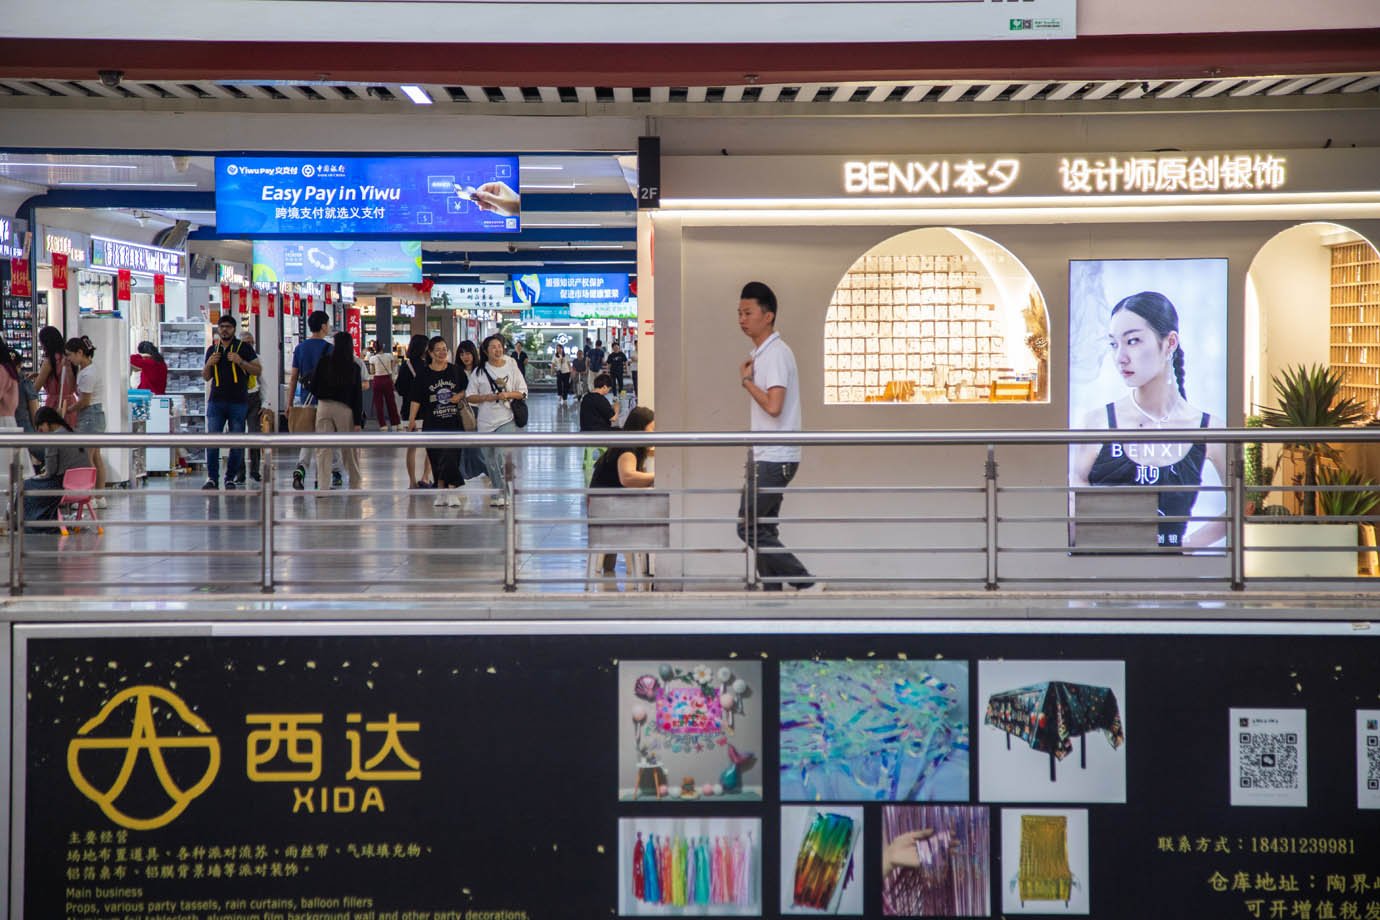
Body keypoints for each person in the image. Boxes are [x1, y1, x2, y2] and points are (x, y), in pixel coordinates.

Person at [1071, 290, 1228, 549]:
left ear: (1170, 343)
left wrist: (1186, 546)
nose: (1120, 357)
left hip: (1171, 576)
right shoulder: (1097, 421)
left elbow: (1244, 502)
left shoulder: (1211, 428)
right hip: (1101, 568)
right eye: (1114, 344)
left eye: (1132, 341)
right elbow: (1074, 499)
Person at [737, 281, 817, 591]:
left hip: (773, 456)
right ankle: (771, 595)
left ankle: (806, 583)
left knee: (749, 527)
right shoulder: (764, 353)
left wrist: (746, 382)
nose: (742, 319)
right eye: (739, 313)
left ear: (767, 316)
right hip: (768, 454)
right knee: (763, 528)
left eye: (748, 313)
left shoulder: (776, 355)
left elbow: (774, 405)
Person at [589, 406, 656, 577]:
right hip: (608, 507)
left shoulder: (625, 443)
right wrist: (655, 477)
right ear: (641, 429)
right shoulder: (628, 450)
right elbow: (627, 478)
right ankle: (640, 567)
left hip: (600, 504)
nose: (654, 434)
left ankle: (608, 564)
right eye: (652, 429)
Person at [466, 333, 527, 509]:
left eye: (499, 346)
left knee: (501, 456)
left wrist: (506, 394)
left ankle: (505, 492)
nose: (497, 349)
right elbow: (470, 396)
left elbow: (523, 392)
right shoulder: (479, 371)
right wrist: (488, 397)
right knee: (489, 459)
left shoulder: (511, 366)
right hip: (485, 422)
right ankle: (498, 490)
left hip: (506, 418)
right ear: (486, 351)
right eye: (493, 347)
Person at [200, 315, 260, 491]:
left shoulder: (244, 349)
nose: (224, 329)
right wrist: (209, 364)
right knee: (212, 441)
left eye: (228, 327)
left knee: (237, 442)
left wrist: (240, 361)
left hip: (238, 402)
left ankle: (230, 478)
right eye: (221, 326)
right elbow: (206, 377)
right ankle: (212, 478)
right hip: (216, 402)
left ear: (234, 329)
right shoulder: (212, 350)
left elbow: (258, 370)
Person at [407, 336, 468, 507]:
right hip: (432, 422)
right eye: (438, 350)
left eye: (444, 349)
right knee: (436, 458)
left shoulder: (455, 371)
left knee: (450, 457)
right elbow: (416, 399)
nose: (442, 353)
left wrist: (460, 396)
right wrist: (412, 420)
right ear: (430, 353)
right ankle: (441, 491)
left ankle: (451, 489)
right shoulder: (424, 374)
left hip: (453, 421)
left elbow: (467, 389)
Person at [286, 311, 339, 491]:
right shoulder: (330, 349)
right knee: (324, 442)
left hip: (306, 400)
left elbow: (293, 377)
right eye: (328, 323)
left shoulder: (300, 348)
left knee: (308, 438)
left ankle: (301, 469)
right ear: (323, 326)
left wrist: (289, 403)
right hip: (326, 402)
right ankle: (321, 477)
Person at [309, 331, 364, 489]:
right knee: (349, 450)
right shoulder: (354, 366)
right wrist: (357, 421)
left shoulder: (324, 362)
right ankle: (355, 484)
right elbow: (357, 396)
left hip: (323, 406)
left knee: (323, 449)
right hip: (344, 409)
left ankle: (323, 488)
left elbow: (313, 386)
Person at [22, 407, 90, 533]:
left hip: (64, 487)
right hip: (84, 488)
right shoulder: (75, 433)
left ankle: (29, 523)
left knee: (26, 485)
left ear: (48, 423)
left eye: (40, 427)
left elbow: (50, 472)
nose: (39, 431)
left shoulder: (54, 439)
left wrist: (39, 476)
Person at [63, 335, 110, 507]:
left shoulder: (87, 374)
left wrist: (68, 410)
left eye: (69, 355)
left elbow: (84, 401)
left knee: (86, 458)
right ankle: (99, 496)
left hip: (89, 416)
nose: (68, 358)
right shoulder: (90, 369)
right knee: (96, 456)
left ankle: (87, 497)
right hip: (97, 415)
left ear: (80, 352)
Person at [394, 333, 434, 490]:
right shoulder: (427, 366)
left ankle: (412, 481)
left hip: (408, 411)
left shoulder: (406, 366)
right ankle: (425, 477)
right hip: (427, 411)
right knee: (430, 447)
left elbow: (399, 388)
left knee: (411, 448)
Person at [454, 340, 487, 484]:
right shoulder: (456, 371)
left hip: (479, 410)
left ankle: (488, 469)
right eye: (461, 354)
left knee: (476, 445)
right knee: (462, 445)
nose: (465, 357)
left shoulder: (481, 370)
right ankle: (461, 474)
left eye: (467, 353)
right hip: (462, 412)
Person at [35, 325, 76, 429]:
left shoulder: (49, 361)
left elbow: (35, 388)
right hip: (71, 403)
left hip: (54, 406)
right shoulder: (68, 358)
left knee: (54, 439)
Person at [237, 331, 264, 484]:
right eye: (247, 343)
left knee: (254, 434)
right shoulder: (234, 359)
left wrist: (265, 403)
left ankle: (255, 470)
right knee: (238, 436)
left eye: (252, 343)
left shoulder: (256, 359)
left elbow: (263, 380)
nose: (250, 346)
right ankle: (240, 472)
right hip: (238, 399)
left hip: (254, 398)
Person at [366, 340, 400, 430]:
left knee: (379, 404)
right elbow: (394, 365)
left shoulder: (372, 358)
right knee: (391, 403)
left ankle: (383, 425)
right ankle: (396, 423)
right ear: (382, 347)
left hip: (377, 381)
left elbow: (372, 371)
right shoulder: (389, 356)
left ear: (374, 348)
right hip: (387, 380)